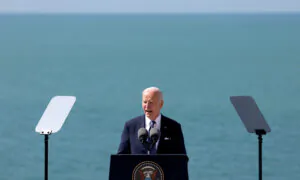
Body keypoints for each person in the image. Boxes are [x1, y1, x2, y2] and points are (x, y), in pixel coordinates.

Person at [117, 87, 187, 155]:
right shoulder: (131, 126)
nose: (147, 106)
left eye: (151, 102)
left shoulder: (174, 128)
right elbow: (120, 158)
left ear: (161, 104)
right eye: (145, 102)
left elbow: (182, 159)